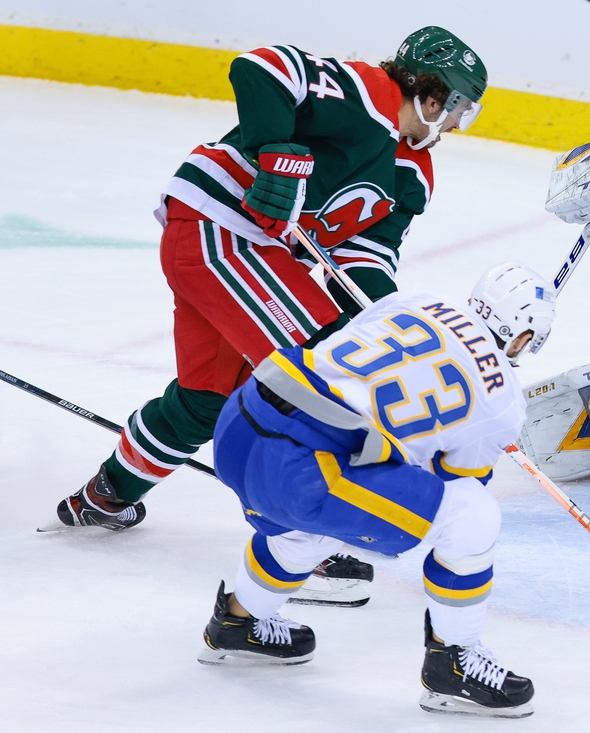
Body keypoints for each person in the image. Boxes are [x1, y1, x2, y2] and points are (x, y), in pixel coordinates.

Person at [51, 26, 487, 544]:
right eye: (462, 109)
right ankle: (298, 545)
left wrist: (384, 326)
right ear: (435, 97)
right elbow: (264, 67)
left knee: (206, 399)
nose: (459, 124)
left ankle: (105, 495)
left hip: (237, 252)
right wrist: (275, 151)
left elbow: (364, 260)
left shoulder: (412, 173)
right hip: (223, 230)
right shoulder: (371, 93)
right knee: (317, 380)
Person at [196, 262, 554, 719]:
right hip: (302, 470)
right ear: (523, 339)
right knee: (472, 515)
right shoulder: (503, 398)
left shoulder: (423, 300)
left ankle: (238, 622)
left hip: (242, 418)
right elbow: (453, 483)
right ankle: (454, 665)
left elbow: (346, 371)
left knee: (323, 516)